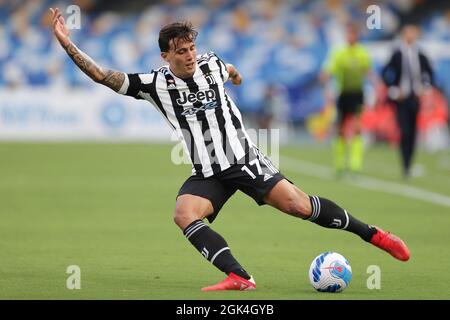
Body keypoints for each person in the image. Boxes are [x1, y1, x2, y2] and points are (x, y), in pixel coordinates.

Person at [50, 8, 410, 291]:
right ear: (165, 56)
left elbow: (229, 68)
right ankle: (239, 276)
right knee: (184, 213)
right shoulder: (153, 84)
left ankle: (374, 234)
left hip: (243, 159)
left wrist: (235, 76)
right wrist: (67, 43)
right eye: (181, 52)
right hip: (208, 171)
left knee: (300, 206)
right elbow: (103, 75)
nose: (190, 56)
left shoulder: (211, 63)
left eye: (191, 48)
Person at [381, 24, 434, 178]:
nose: (411, 36)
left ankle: (409, 164)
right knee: (405, 130)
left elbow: (429, 74)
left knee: (413, 132)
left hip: (415, 97)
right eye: (408, 33)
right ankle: (405, 165)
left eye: (413, 33)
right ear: (404, 35)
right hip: (401, 98)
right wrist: (394, 90)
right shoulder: (397, 54)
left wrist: (425, 88)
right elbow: (385, 72)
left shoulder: (421, 55)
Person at [320, 23, 373, 176]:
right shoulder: (339, 53)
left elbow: (368, 71)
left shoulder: (362, 53)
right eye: (349, 34)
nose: (351, 37)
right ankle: (340, 164)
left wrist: (377, 85)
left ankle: (355, 164)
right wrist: (325, 80)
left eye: (354, 35)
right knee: (340, 129)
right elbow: (329, 70)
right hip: (343, 95)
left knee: (357, 128)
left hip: (357, 94)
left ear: (357, 37)